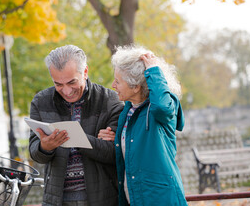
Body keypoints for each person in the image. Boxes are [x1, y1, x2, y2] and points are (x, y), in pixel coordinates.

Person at [29, 45, 124, 206]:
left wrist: (79, 139)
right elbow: (35, 153)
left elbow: (115, 154)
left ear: (85, 72)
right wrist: (45, 147)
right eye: (58, 84)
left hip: (103, 199)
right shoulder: (40, 102)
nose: (66, 91)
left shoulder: (110, 101)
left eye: (72, 82)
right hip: (57, 200)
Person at [103, 45, 187, 205]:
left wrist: (154, 71)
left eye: (118, 81)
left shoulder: (164, 106)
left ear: (135, 87)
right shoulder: (127, 110)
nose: (113, 85)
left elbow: (162, 107)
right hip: (134, 198)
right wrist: (117, 139)